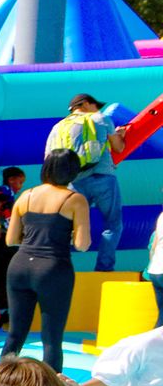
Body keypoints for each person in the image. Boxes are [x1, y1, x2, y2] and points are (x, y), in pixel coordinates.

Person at [2, 150, 91, 373]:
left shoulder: (26, 196)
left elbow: (11, 239)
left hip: (20, 265)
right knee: (51, 339)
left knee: (15, 334)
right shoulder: (75, 200)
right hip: (52, 268)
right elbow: (82, 244)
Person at [47, 94, 126, 273]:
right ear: (85, 104)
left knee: (68, 227)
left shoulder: (58, 127)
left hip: (73, 182)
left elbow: (49, 159)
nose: (97, 108)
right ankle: (103, 269)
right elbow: (119, 147)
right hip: (103, 177)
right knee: (113, 224)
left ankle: (60, 267)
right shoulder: (101, 119)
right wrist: (121, 134)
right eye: (95, 105)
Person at [0, 168, 27, 319]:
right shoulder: (5, 190)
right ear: (11, 179)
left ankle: (4, 300)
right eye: (20, 181)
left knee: (4, 269)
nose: (20, 185)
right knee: (2, 269)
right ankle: (2, 301)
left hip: (4, 236)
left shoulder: (10, 193)